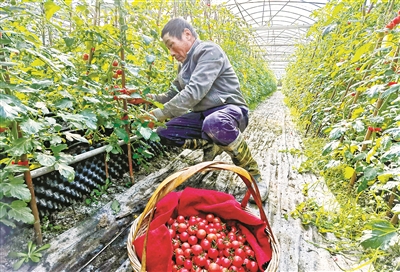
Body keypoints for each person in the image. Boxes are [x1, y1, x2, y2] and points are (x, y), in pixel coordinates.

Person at [130, 17, 268, 202]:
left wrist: (156, 115)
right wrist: (145, 98)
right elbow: (171, 96)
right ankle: (212, 143)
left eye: (171, 45)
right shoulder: (183, 66)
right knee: (163, 132)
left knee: (215, 123)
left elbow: (194, 92)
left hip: (230, 111)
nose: (171, 53)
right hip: (204, 117)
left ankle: (254, 176)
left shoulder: (209, 51)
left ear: (187, 34)